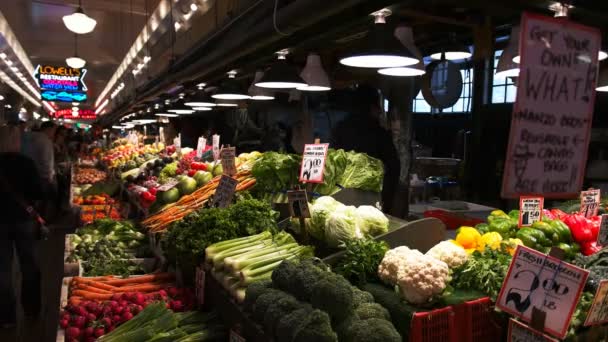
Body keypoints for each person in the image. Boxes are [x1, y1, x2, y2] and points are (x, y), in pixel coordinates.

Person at [0, 125, 45, 329]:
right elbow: (38, 192)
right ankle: (32, 311)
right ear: (15, 141)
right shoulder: (26, 163)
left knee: (3, 270)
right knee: (29, 266)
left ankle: (7, 318)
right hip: (24, 221)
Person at [331, 85, 401, 213]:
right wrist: (387, 202)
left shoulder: (339, 129)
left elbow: (332, 164)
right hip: (371, 202)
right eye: (378, 106)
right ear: (371, 107)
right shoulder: (379, 133)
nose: (380, 111)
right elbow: (394, 168)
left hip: (340, 199)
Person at [22, 122, 57, 219]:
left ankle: (32, 219)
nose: (54, 133)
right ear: (49, 129)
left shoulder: (27, 136)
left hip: (26, 174)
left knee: (30, 202)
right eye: (54, 131)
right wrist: (49, 177)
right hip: (42, 177)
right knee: (42, 202)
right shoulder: (45, 141)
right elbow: (47, 161)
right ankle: (41, 223)